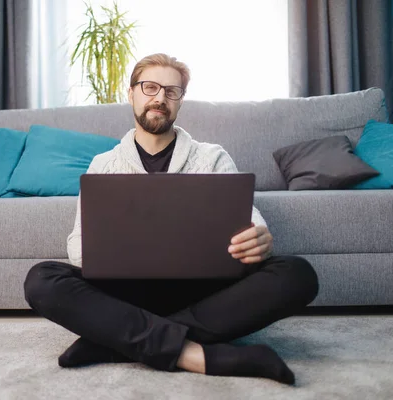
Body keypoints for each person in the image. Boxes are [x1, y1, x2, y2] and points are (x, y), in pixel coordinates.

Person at [23, 53, 319, 385]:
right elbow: (78, 249)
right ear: (132, 93)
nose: (160, 98)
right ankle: (198, 354)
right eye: (150, 87)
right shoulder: (103, 164)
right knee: (41, 279)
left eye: (171, 91)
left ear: (180, 102)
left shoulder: (212, 157)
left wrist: (260, 237)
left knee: (298, 274)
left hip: (203, 291)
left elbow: (250, 222)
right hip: (126, 291)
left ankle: (114, 343)